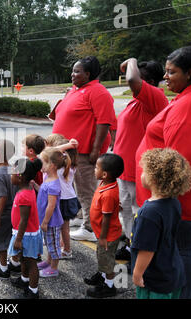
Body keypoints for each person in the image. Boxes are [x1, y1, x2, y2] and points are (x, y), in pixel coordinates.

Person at [135, 46, 191, 299]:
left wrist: (158, 198)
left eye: (172, 72)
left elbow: (179, 163)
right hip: (171, 205)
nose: (165, 77)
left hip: (178, 207)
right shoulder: (185, 98)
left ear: (190, 73)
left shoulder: (188, 107)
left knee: (182, 258)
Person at [52, 56, 117, 242]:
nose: (72, 74)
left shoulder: (98, 92)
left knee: (85, 190)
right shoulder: (77, 89)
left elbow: (104, 122)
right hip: (67, 151)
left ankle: (90, 228)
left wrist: (96, 150)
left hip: (84, 152)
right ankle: (78, 215)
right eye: (73, 71)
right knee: (69, 187)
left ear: (88, 74)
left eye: (77, 71)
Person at [114, 58, 168, 262]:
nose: (137, 82)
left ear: (151, 82)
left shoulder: (155, 96)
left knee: (139, 211)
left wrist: (132, 60)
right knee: (126, 209)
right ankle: (131, 245)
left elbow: (132, 80)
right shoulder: (136, 100)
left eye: (142, 79)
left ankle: (142, 252)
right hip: (124, 167)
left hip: (139, 170)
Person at [131, 148, 191, 299]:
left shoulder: (149, 213)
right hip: (172, 271)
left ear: (154, 178)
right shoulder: (174, 203)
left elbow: (146, 250)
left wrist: (137, 274)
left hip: (155, 280)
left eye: (144, 171)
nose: (141, 174)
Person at [85, 154, 124, 298]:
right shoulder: (106, 184)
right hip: (103, 232)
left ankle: (109, 286)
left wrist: (102, 237)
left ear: (105, 174)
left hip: (107, 235)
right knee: (102, 257)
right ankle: (101, 275)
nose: (94, 170)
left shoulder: (107, 194)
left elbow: (106, 218)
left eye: (96, 168)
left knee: (106, 260)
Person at [8, 158, 44, 299]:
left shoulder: (24, 196)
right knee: (23, 259)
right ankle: (24, 280)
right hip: (26, 233)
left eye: (12, 173)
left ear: (20, 176)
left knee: (31, 263)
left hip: (26, 235)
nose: (10, 175)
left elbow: (24, 220)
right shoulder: (27, 188)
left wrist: (18, 239)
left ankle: (33, 291)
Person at [44, 134, 80, 259]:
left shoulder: (58, 167)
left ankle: (67, 250)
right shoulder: (71, 165)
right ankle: (63, 246)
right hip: (69, 198)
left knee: (60, 226)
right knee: (65, 227)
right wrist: (70, 146)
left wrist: (69, 145)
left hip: (61, 200)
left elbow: (50, 152)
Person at [37, 148, 71, 277]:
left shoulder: (54, 184)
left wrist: (45, 222)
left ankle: (54, 268)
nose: (41, 165)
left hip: (51, 221)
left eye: (43, 163)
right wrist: (36, 186)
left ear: (51, 165)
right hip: (48, 220)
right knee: (50, 242)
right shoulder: (48, 178)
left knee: (53, 245)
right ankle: (48, 261)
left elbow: (51, 206)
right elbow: (44, 193)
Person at [0, 139, 19, 279]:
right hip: (14, 212)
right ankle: (15, 263)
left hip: (2, 213)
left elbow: (2, 197)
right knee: (12, 238)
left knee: (0, 241)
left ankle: (3, 269)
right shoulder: (14, 169)